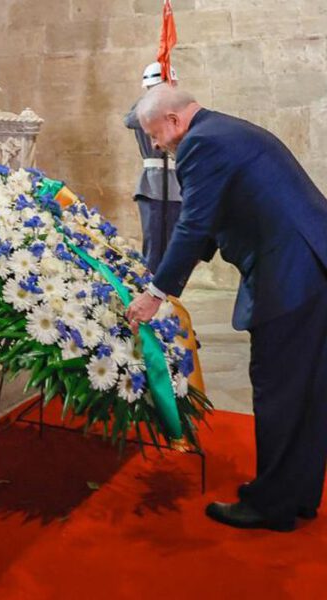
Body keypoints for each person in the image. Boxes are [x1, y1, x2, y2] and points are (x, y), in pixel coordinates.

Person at [126, 83, 327, 532]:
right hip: (311, 265)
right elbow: (215, 220)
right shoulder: (225, 131)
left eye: (154, 134)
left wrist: (156, 293)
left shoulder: (200, 143)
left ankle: (270, 505)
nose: (157, 145)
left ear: (174, 121)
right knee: (307, 389)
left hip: (289, 275)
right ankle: (297, 494)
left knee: (277, 387)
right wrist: (163, 275)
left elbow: (195, 222)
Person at [123, 62, 183, 272]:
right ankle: (150, 287)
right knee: (154, 243)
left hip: (176, 183)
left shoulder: (177, 109)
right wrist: (153, 102)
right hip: (153, 183)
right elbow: (130, 121)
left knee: (174, 242)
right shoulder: (142, 109)